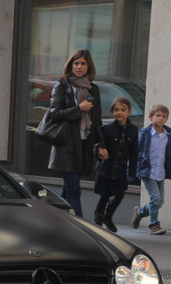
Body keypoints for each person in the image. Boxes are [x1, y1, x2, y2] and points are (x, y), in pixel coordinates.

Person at [47, 48, 104, 217]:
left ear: (89, 67)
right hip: (66, 145)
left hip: (84, 144)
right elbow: (54, 114)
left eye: (83, 63)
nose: (79, 67)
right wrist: (79, 108)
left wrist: (101, 145)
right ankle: (82, 227)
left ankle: (55, 219)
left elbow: (97, 120)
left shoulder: (93, 89)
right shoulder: (62, 86)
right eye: (76, 63)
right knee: (73, 191)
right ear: (70, 65)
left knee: (68, 189)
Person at [131, 104, 171, 235]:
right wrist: (133, 168)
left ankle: (140, 212)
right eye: (158, 115)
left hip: (160, 172)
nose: (161, 118)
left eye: (164, 116)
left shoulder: (168, 135)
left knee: (160, 201)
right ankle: (154, 225)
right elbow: (135, 152)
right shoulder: (144, 133)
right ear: (150, 117)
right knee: (156, 199)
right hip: (147, 171)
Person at [93, 97, 138, 232]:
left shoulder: (133, 130)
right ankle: (98, 224)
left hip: (120, 170)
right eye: (116, 110)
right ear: (112, 112)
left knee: (120, 194)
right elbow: (98, 147)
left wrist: (132, 173)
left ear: (129, 112)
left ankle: (108, 217)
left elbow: (134, 152)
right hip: (106, 168)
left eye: (123, 110)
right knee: (104, 196)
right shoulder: (107, 129)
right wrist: (99, 152)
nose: (119, 112)